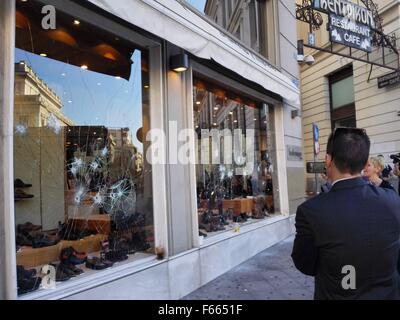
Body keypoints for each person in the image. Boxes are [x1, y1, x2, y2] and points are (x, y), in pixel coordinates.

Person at [291, 127, 400, 300]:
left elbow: (305, 264)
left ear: (328, 160)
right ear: (365, 164)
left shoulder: (311, 211)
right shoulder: (393, 201)